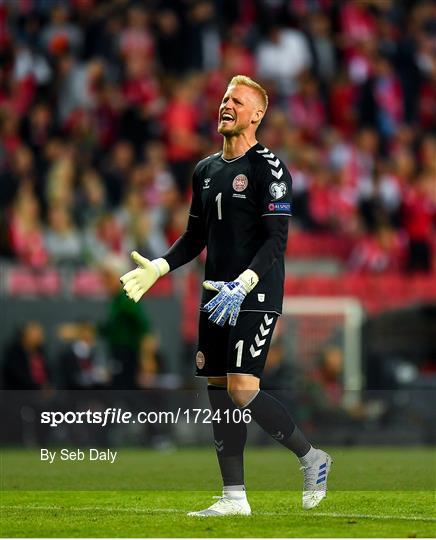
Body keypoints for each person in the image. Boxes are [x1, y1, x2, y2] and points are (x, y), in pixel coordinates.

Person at [120, 75, 332, 516]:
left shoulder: (269, 168)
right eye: (224, 98)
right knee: (219, 389)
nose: (226, 104)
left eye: (238, 100)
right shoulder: (205, 171)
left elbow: (276, 240)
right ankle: (234, 497)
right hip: (216, 294)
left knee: (241, 390)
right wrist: (160, 266)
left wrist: (246, 283)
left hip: (255, 294)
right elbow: (194, 235)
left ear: (258, 114)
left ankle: (312, 458)